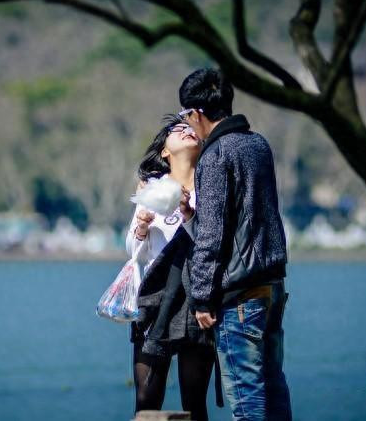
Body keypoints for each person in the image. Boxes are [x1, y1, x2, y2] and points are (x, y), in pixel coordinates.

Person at [178, 68, 292, 421]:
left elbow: (212, 235)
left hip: (239, 296)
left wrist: (201, 298)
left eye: (186, 116)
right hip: (272, 285)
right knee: (273, 390)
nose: (188, 125)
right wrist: (193, 217)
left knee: (247, 402)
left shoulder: (216, 154)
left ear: (197, 113)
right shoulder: (258, 144)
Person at [125, 115, 219, 421]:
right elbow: (134, 253)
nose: (187, 131)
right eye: (178, 130)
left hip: (197, 298)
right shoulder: (153, 189)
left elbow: (214, 243)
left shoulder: (211, 187)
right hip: (157, 299)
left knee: (195, 400)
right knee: (146, 398)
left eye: (191, 129)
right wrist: (141, 227)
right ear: (165, 150)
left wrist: (190, 215)